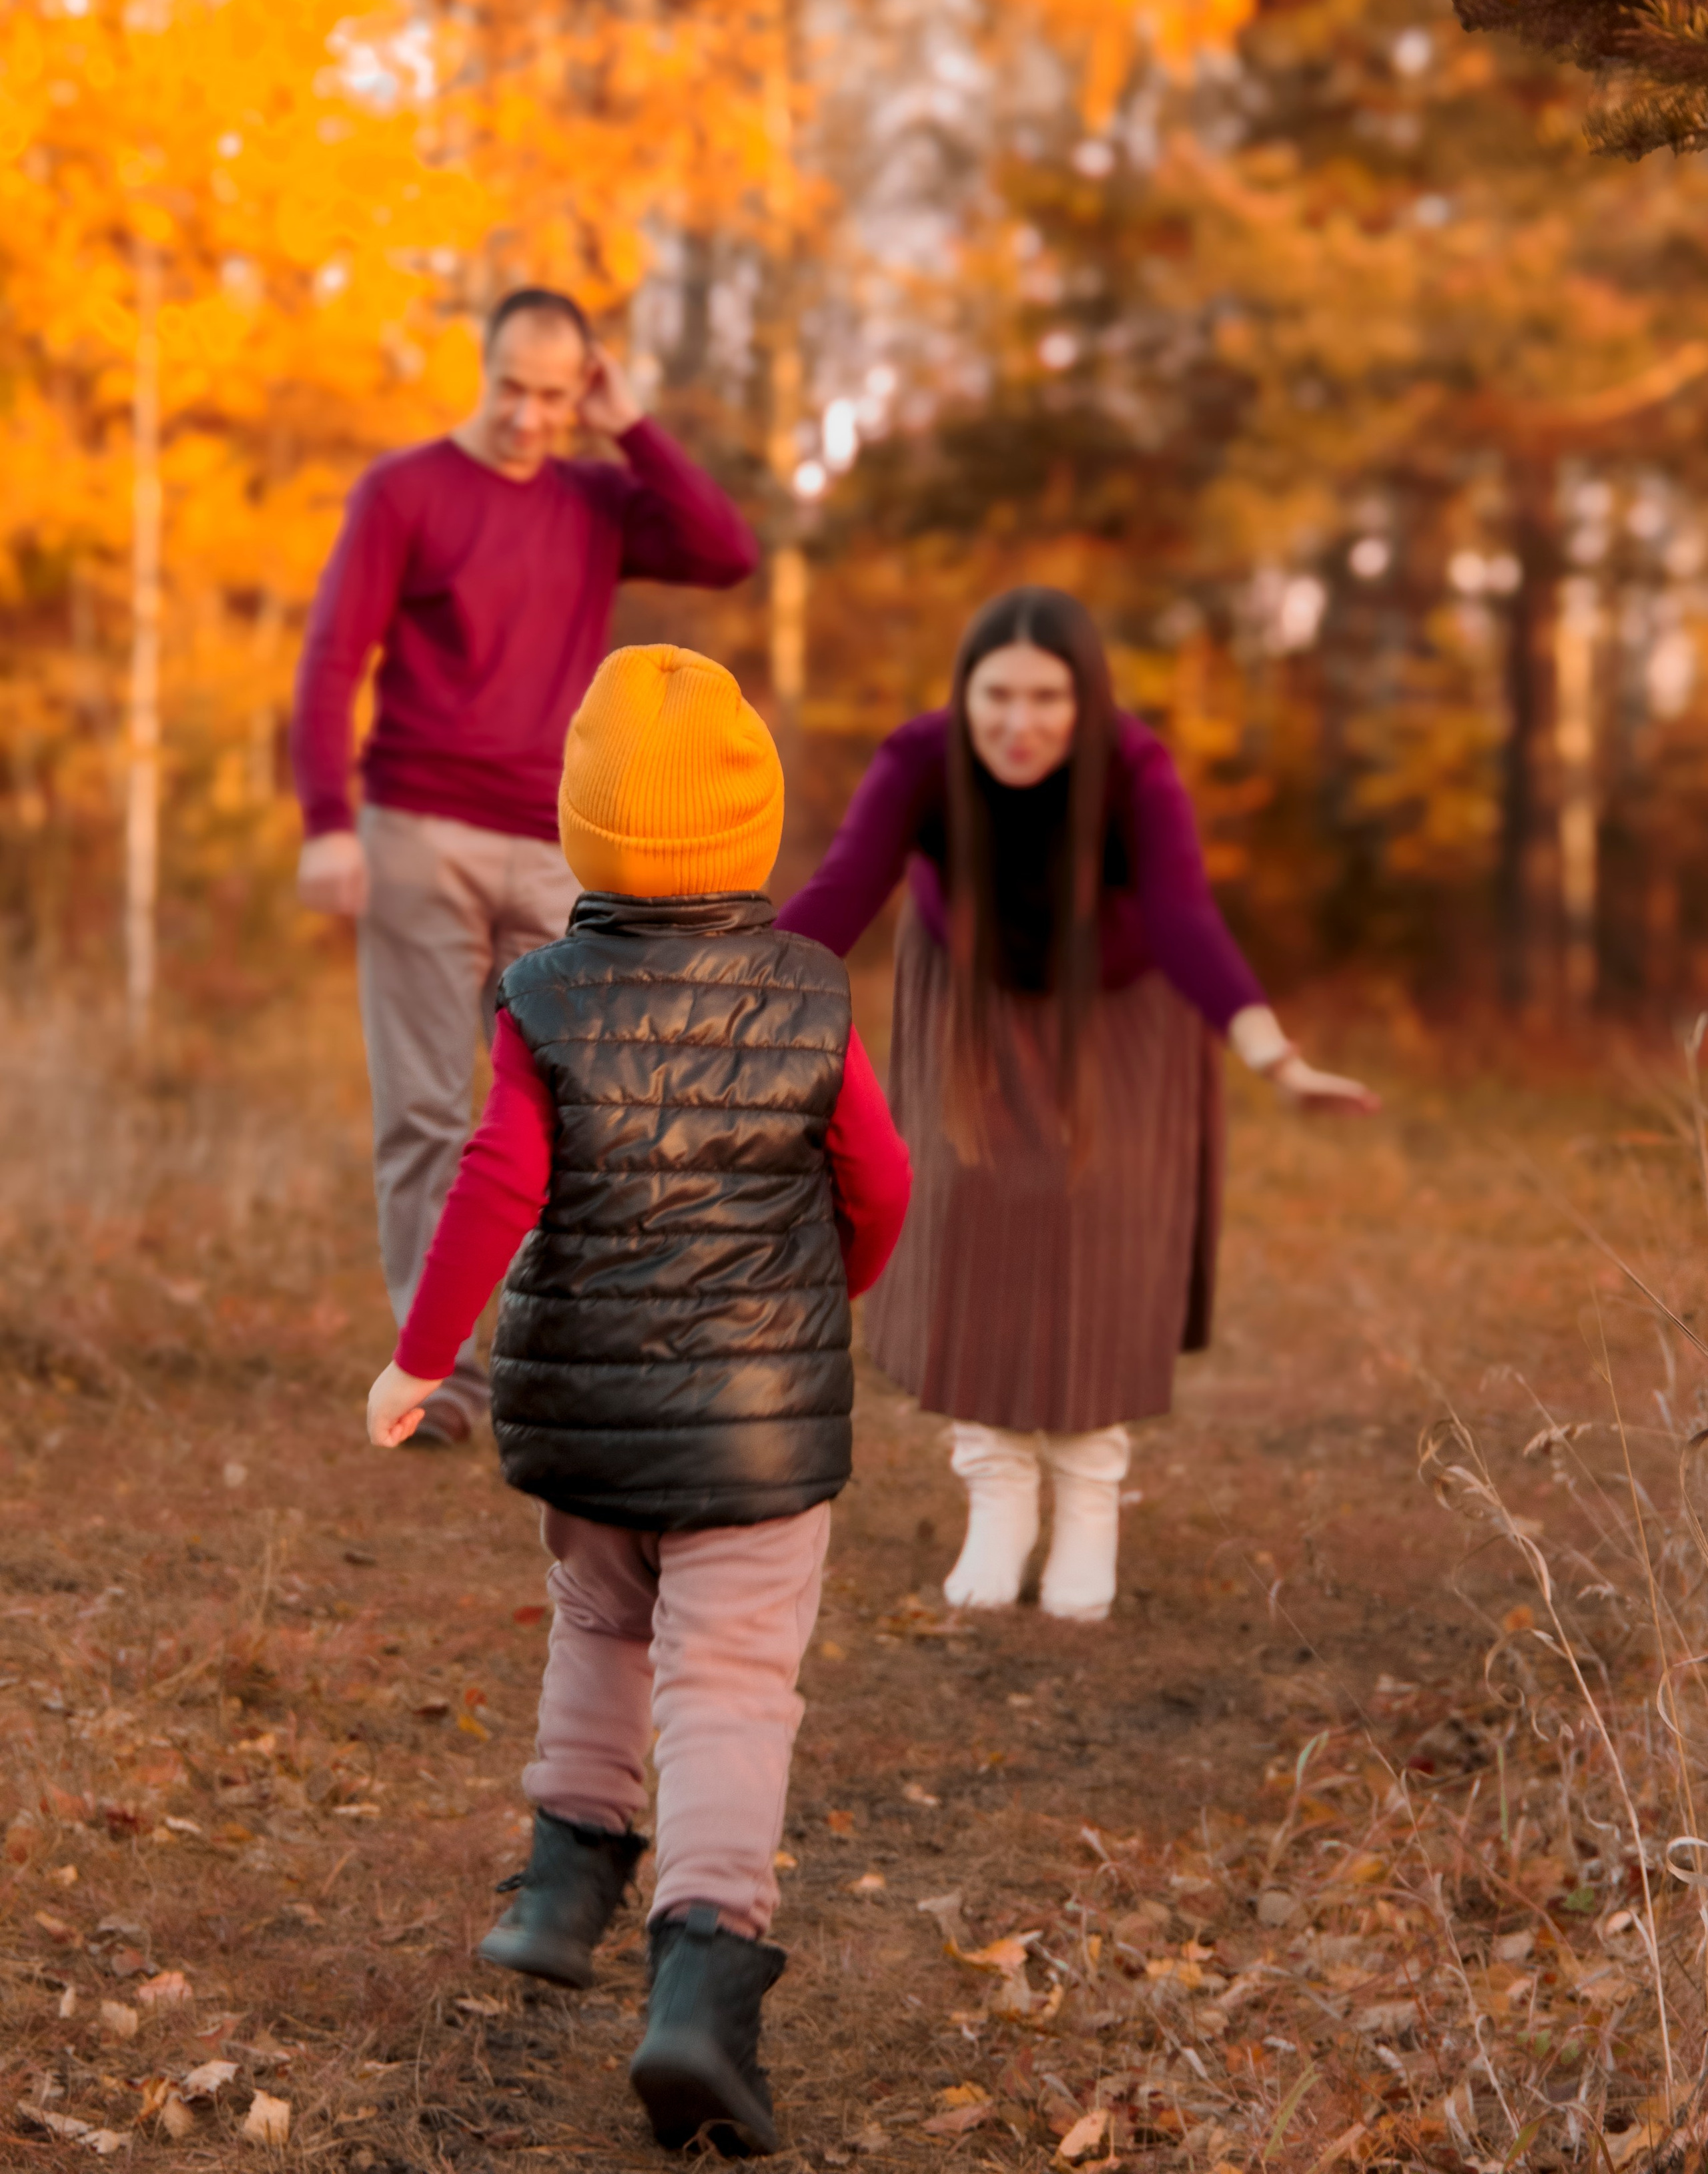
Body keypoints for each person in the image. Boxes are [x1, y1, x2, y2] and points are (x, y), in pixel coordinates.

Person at [364, 644, 911, 2159]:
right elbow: (880, 1180)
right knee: (729, 1682)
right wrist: (820, 1302)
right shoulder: (809, 990)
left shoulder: (540, 995)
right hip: (759, 1423)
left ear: (580, 829)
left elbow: (496, 1184)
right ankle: (698, 1991)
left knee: (600, 1626)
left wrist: (423, 1356)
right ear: (749, 827)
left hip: (588, 1418)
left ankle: (560, 1880)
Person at [776, 585, 1376, 1625]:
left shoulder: (1135, 768)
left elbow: (1187, 916)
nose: (1021, 723)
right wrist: (713, 997)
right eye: (996, 695)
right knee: (971, 1218)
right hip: (969, 1005)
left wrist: (1274, 1058)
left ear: (1086, 698)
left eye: (1048, 697)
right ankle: (998, 1495)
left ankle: (1091, 1497)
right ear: (963, 696)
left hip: (1121, 1007)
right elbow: (841, 892)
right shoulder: (917, 760)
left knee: (1098, 1231)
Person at [290, 288, 760, 1445]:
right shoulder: (404, 490)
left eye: (556, 396)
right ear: (482, 367)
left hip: (559, 849)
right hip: (417, 838)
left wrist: (633, 428)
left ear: (581, 391)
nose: (528, 415)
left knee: (591, 1104)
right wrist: (325, 819)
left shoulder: (596, 501)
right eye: (513, 387)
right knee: (426, 1115)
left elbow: (726, 551)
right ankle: (439, 1384)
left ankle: (575, 1361)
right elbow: (332, 654)